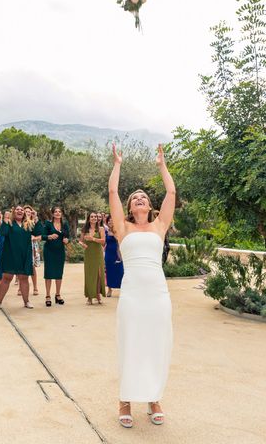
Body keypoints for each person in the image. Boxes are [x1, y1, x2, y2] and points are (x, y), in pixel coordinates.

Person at [108, 143, 176, 429]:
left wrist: (162, 166)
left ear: (149, 206)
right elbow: (112, 192)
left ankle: (153, 398)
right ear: (130, 206)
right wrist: (118, 165)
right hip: (133, 295)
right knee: (131, 343)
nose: (139, 199)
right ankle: (125, 400)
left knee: (156, 344)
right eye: (134, 197)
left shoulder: (160, 225)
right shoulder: (123, 227)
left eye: (143, 197)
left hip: (158, 295)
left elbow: (171, 193)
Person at [0, 205, 43, 309]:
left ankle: (26, 302)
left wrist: (36, 219)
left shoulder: (28, 224)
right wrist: (6, 221)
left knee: (24, 278)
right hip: (10, 254)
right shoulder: (9, 223)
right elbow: (2, 232)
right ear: (13, 212)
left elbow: (39, 232)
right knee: (6, 278)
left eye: (22, 210)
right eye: (17, 209)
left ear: (24, 213)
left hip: (24, 255)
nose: (20, 211)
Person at [42, 206, 70, 306]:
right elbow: (42, 236)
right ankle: (48, 295)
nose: (58, 213)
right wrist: (49, 236)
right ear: (53, 213)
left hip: (60, 251)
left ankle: (58, 295)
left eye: (59, 211)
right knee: (48, 273)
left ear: (62, 213)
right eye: (56, 212)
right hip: (49, 251)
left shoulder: (65, 224)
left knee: (59, 273)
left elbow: (67, 236)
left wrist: (67, 240)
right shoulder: (48, 224)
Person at [79, 211, 105, 305]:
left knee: (98, 275)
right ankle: (89, 297)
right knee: (89, 275)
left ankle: (98, 296)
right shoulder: (84, 229)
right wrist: (83, 245)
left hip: (98, 254)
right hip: (89, 254)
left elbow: (103, 242)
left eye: (95, 217)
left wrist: (93, 239)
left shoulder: (101, 229)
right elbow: (80, 241)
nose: (94, 218)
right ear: (89, 218)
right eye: (92, 217)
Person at [104, 215, 124, 297]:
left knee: (120, 271)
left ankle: (123, 289)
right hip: (108, 252)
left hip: (117, 252)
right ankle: (109, 289)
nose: (110, 222)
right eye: (109, 221)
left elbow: (120, 241)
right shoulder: (105, 231)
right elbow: (104, 242)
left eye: (112, 220)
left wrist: (113, 232)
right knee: (109, 271)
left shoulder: (118, 231)